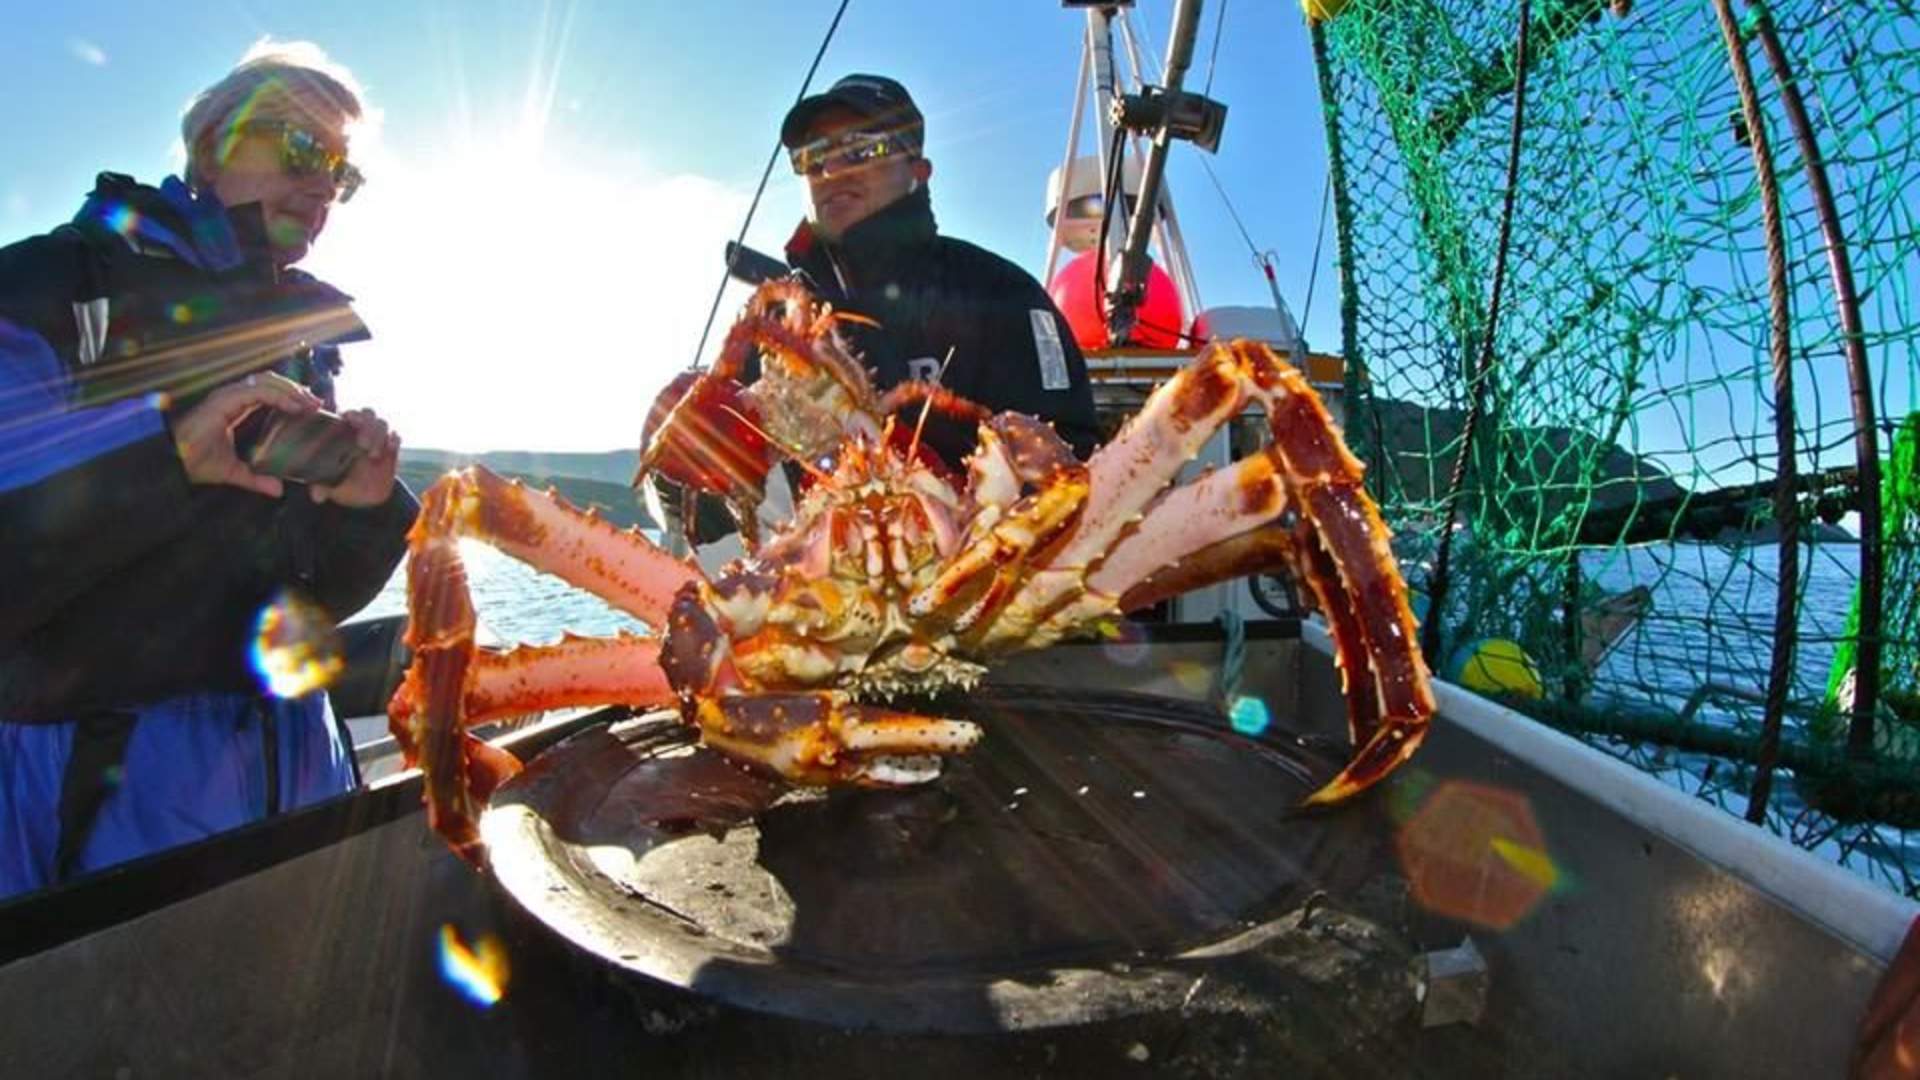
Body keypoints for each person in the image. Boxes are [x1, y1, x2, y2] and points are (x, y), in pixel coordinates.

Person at [0, 42, 415, 899]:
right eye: (302, 149)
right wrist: (169, 460)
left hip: (301, 765)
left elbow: (302, 602)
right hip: (100, 794)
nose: (322, 185)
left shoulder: (297, 335)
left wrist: (365, 513)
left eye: (341, 171)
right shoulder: (46, 287)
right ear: (211, 145)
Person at [777, 73, 1101, 465]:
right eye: (813, 157)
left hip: (973, 524)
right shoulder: (777, 318)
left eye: (859, 150)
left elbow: (1068, 449)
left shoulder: (1003, 292)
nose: (830, 171)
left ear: (918, 171)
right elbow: (730, 468)